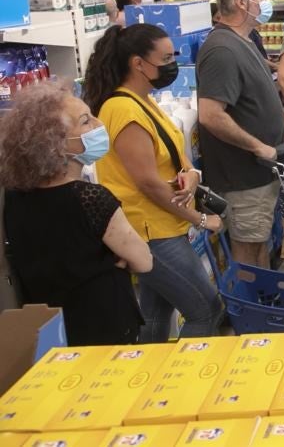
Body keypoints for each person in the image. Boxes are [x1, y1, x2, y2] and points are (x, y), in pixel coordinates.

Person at [82, 23, 225, 343]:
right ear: (138, 63)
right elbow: (147, 182)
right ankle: (182, 383)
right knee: (206, 310)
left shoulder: (142, 100)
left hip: (162, 225)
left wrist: (191, 174)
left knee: (155, 315)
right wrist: (200, 219)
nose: (172, 63)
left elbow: (173, 152)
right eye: (165, 57)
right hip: (150, 231)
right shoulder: (121, 108)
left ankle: (146, 377)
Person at [0, 83, 152, 345]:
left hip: (50, 329)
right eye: (85, 121)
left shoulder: (14, 196)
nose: (97, 123)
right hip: (105, 324)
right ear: (56, 144)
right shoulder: (91, 199)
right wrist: (114, 257)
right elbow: (144, 261)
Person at [198, 0, 284, 269]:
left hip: (262, 170)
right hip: (242, 175)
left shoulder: (243, 41)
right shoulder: (221, 49)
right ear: (241, 2)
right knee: (246, 248)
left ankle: (262, 302)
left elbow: (265, 94)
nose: (265, 2)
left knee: (258, 242)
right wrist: (257, 146)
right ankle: (246, 310)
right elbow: (210, 115)